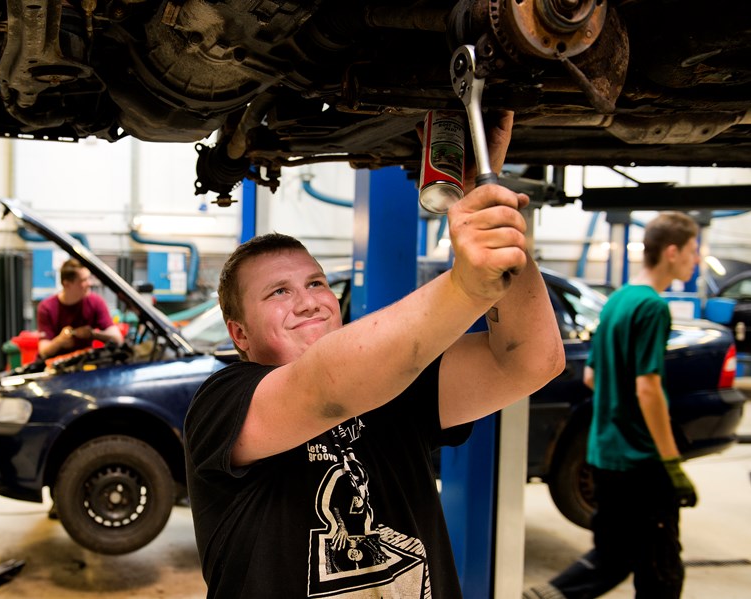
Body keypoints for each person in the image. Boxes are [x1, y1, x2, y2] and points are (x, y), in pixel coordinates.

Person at [184, 111, 566, 598]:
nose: (308, 300)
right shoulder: (222, 405)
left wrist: (489, 218)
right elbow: (325, 388)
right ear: (239, 334)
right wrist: (468, 286)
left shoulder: (398, 389)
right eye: (278, 292)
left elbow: (531, 361)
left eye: (316, 282)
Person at [526, 212, 701, 599]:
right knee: (661, 573)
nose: (697, 259)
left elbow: (591, 377)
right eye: (693, 250)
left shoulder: (617, 300)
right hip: (640, 463)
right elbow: (648, 389)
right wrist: (671, 463)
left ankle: (547, 596)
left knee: (611, 559)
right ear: (671, 252)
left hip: (604, 456)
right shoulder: (652, 307)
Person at [36, 258, 123, 361]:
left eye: (89, 278)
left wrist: (93, 334)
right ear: (66, 284)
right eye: (83, 280)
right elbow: (43, 351)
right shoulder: (47, 307)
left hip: (83, 365)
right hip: (54, 367)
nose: (89, 283)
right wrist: (60, 341)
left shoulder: (95, 302)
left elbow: (118, 339)